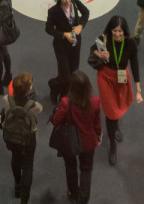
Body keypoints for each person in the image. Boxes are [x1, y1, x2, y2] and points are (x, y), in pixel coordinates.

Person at [87, 15, 142, 166]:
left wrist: (138, 89)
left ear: (125, 31)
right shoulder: (103, 39)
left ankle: (115, 125)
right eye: (114, 31)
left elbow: (135, 65)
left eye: (120, 31)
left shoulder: (130, 43)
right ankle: (112, 145)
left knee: (119, 106)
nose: (117, 34)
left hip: (122, 78)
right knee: (111, 111)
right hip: (106, 78)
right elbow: (91, 54)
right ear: (110, 30)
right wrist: (99, 54)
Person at [50, 70, 102, 204]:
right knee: (86, 169)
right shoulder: (95, 101)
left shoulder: (66, 103)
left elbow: (56, 121)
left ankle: (73, 192)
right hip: (88, 142)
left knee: (70, 166)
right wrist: (98, 135)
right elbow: (97, 123)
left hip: (70, 142)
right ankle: (83, 199)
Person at [0, 72, 42, 204]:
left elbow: (3, 114)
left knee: (15, 159)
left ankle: (17, 185)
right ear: (28, 90)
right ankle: (24, 199)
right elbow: (36, 118)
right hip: (28, 139)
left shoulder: (7, 100)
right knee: (28, 166)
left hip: (11, 137)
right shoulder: (35, 106)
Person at [46, 0, 90, 100]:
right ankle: (60, 94)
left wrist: (81, 25)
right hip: (61, 46)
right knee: (66, 77)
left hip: (75, 44)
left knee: (73, 73)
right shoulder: (53, 11)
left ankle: (57, 89)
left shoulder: (75, 2)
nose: (67, 0)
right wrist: (64, 34)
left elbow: (86, 13)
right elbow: (48, 29)